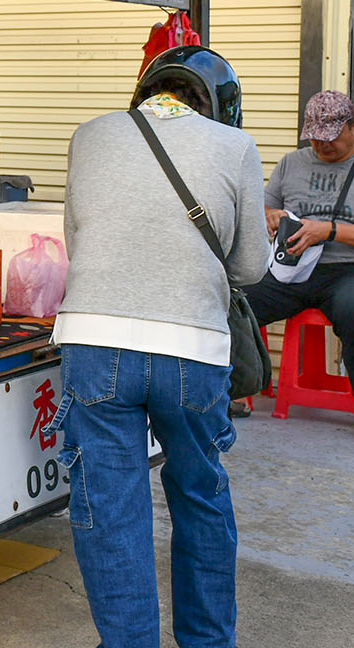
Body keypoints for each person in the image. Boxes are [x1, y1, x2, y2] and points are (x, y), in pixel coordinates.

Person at [48, 46, 267, 648]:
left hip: (95, 344)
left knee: (111, 513)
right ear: (221, 104)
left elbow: (78, 241)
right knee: (199, 495)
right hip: (191, 351)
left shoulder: (88, 136)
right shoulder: (235, 148)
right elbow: (249, 267)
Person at [243, 90, 354, 448]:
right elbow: (262, 210)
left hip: (352, 268)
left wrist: (328, 230)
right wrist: (270, 217)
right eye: (315, 137)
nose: (322, 145)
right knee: (238, 301)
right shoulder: (291, 163)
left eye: (330, 138)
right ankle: (237, 390)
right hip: (294, 268)